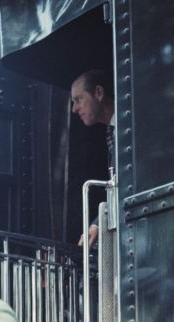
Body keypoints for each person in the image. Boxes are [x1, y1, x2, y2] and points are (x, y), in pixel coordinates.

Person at [70, 69, 115, 248]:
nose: (74, 109)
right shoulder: (112, 130)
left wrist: (98, 222)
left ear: (98, 93)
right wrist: (98, 223)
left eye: (78, 99)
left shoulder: (128, 126)